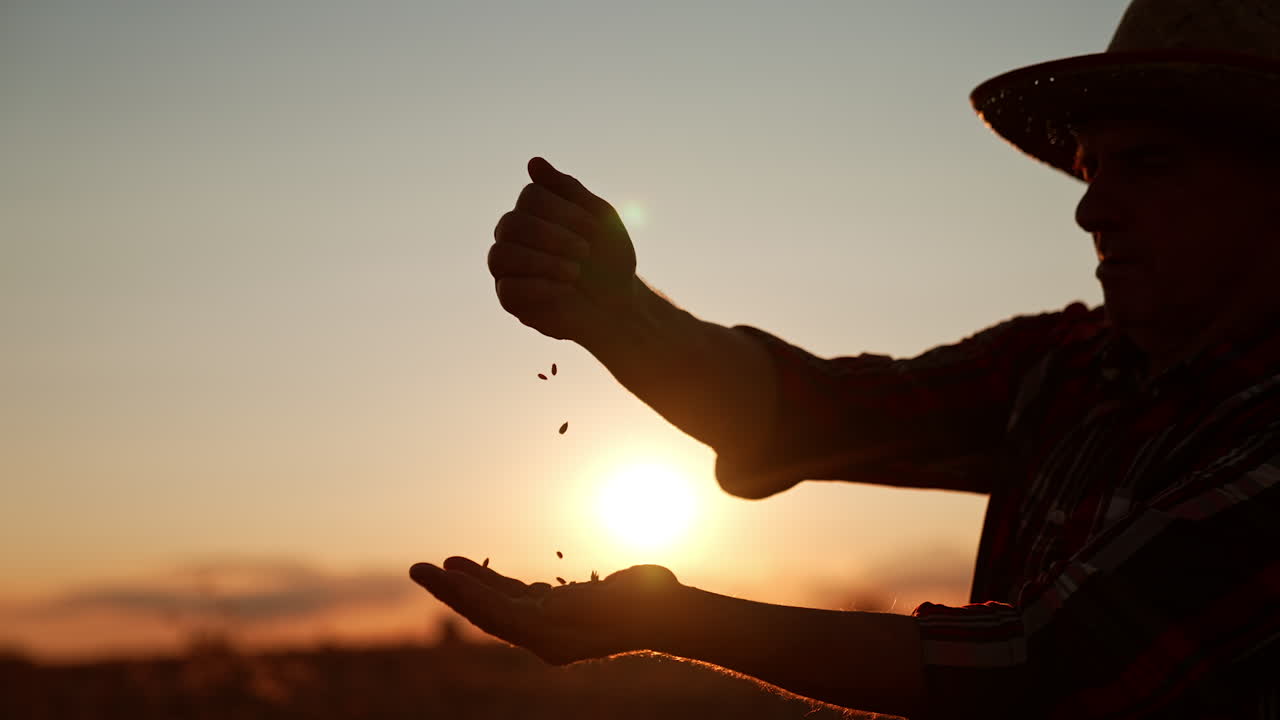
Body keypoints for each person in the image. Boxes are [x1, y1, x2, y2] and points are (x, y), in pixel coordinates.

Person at [411, 0, 1280, 717]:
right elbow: (813, 413)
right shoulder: (1063, 364)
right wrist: (614, 311)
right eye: (1092, 172)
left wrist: (674, 619)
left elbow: (1045, 661)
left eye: (1150, 167)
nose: (1092, 214)